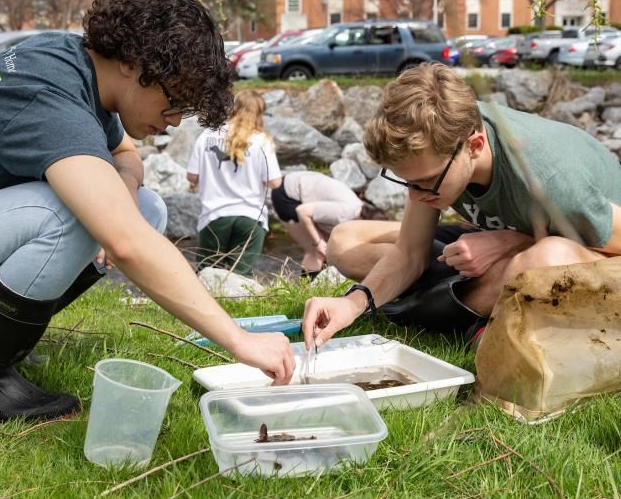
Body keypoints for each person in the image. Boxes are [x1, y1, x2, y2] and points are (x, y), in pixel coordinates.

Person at [0, 0, 295, 424]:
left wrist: (121, 191)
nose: (176, 120)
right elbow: (125, 243)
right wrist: (239, 340)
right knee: (73, 211)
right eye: (174, 100)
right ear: (131, 64)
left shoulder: (74, 62)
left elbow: (126, 156)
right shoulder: (50, 98)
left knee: (146, 206)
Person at [302, 62, 621, 347]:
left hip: (586, 255)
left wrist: (510, 242)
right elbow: (410, 251)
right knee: (345, 242)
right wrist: (353, 304)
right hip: (491, 248)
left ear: (474, 146)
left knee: (544, 260)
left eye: (427, 181)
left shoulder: (551, 179)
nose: (415, 196)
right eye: (408, 183)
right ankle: (475, 304)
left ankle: (438, 308)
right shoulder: (443, 132)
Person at [187, 90, 282, 276]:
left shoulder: (207, 135)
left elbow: (192, 176)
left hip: (214, 216)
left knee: (206, 272)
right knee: (241, 276)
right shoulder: (262, 141)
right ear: (259, 112)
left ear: (232, 107)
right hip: (251, 217)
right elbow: (274, 181)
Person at [271, 170, 377, 278]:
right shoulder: (345, 212)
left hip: (299, 183)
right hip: (286, 196)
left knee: (329, 246)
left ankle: (319, 283)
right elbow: (302, 211)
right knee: (317, 252)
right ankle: (308, 289)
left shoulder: (361, 209)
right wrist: (318, 242)